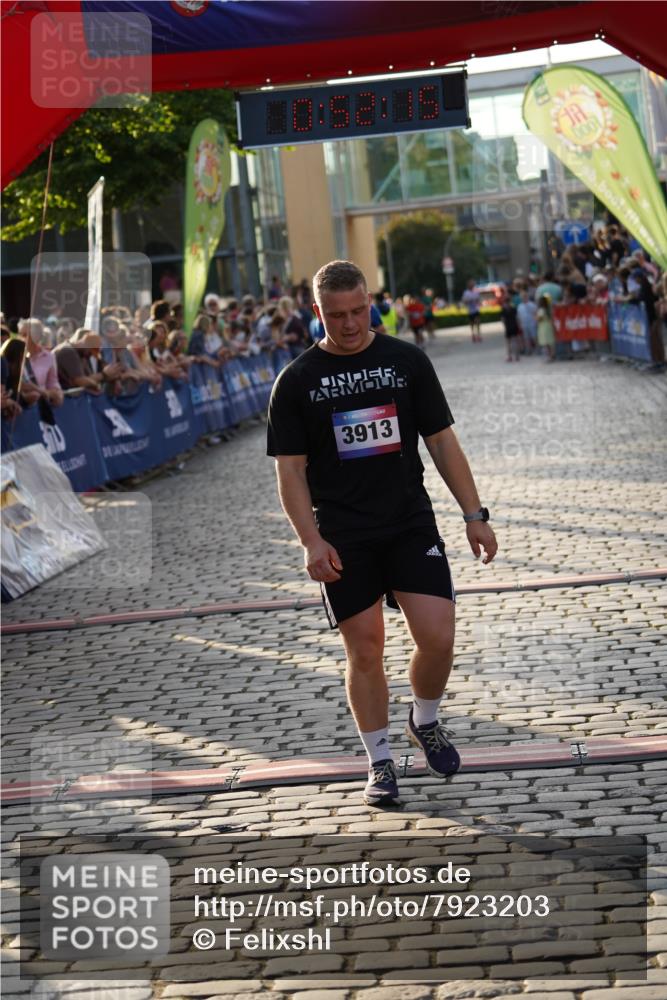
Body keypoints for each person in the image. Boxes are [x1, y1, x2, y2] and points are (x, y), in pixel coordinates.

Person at [267, 259, 497, 807]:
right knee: (365, 650)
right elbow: (290, 471)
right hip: (344, 532)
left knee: (438, 637)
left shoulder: (405, 360)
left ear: (370, 301)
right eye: (336, 316)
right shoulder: (296, 380)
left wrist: (474, 514)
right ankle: (379, 762)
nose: (349, 325)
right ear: (316, 312)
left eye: (358, 311)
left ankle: (425, 719)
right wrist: (310, 541)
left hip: (408, 521)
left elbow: (442, 442)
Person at [501, 291, 520, 362]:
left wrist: (504, 325)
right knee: (515, 341)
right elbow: (517, 318)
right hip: (514, 326)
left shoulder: (503, 309)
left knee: (508, 343)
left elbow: (502, 319)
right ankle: (517, 356)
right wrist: (519, 325)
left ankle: (509, 356)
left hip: (508, 327)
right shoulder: (513, 308)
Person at [536, 294, 556, 362]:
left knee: (546, 343)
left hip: (543, 327)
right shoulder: (548, 309)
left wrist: (535, 316)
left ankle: (549, 357)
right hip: (548, 326)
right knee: (549, 343)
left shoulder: (541, 310)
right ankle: (552, 355)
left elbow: (539, 319)